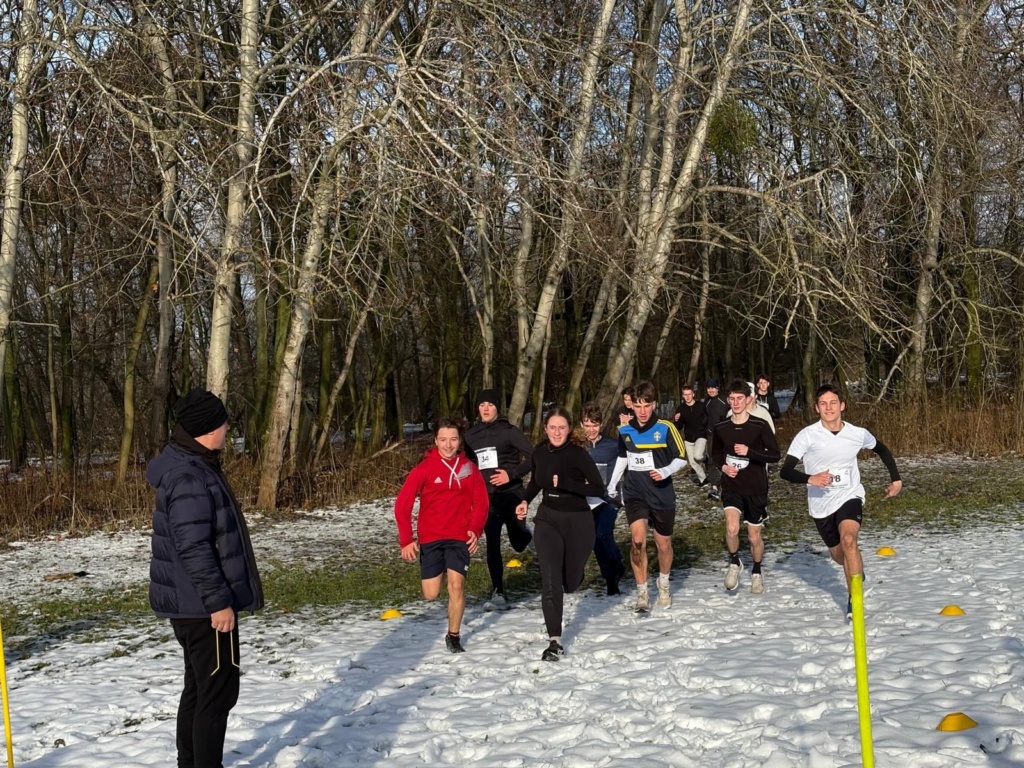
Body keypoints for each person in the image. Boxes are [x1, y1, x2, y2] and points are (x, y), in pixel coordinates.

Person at [148, 388, 264, 768]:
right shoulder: (189, 476)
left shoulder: (193, 465)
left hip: (192, 605)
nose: (228, 428)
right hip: (204, 608)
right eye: (223, 422)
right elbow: (193, 547)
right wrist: (218, 602)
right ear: (207, 428)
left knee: (199, 691)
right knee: (216, 695)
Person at [779, 383, 902, 617]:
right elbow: (785, 471)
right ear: (816, 408)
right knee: (839, 555)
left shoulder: (857, 433)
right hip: (821, 505)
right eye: (823, 404)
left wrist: (896, 479)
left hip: (850, 495)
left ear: (842, 406)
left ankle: (854, 598)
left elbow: (883, 450)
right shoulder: (807, 435)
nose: (829, 408)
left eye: (833, 403)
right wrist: (810, 478)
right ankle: (855, 568)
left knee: (849, 540)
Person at [516, 407, 606, 661]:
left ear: (569, 429)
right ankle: (554, 641)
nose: (557, 432)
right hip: (548, 519)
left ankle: (574, 575)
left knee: (570, 582)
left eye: (562, 428)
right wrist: (525, 500)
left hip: (578, 521)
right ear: (545, 428)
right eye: (552, 427)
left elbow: (598, 488)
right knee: (550, 579)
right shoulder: (539, 453)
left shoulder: (578, 454)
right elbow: (536, 480)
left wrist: (568, 484)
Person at [394, 417, 489, 653]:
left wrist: (475, 529)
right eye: (443, 440)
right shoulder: (424, 469)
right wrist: (406, 540)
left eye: (453, 439)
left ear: (460, 440)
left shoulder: (469, 468)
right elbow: (402, 505)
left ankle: (453, 636)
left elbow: (482, 502)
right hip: (431, 537)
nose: (448, 445)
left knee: (456, 587)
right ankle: (445, 569)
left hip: (459, 537)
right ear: (436, 441)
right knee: (431, 593)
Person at [607, 381, 687, 612]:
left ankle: (664, 583)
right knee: (638, 540)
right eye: (638, 406)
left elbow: (681, 457)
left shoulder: (666, 428)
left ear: (654, 404)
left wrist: (665, 471)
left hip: (661, 494)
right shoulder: (625, 430)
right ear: (631, 405)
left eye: (646, 405)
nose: (642, 411)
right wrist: (613, 483)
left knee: (663, 544)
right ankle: (642, 592)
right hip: (635, 492)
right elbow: (623, 457)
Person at [463, 389, 534, 611]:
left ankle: (528, 535)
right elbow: (465, 463)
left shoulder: (509, 432)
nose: (485, 409)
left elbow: (534, 457)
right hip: (487, 498)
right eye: (482, 405)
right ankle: (498, 592)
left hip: (512, 494)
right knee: (492, 541)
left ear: (497, 408)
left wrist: (511, 474)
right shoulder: (470, 435)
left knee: (518, 544)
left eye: (490, 405)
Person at [711, 379, 781, 594]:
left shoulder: (759, 425)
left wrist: (750, 452)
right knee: (732, 528)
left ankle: (757, 571)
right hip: (731, 485)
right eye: (732, 399)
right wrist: (724, 467)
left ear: (748, 399)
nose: (736, 403)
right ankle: (734, 562)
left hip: (755, 487)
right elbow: (715, 453)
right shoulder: (721, 427)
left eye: (740, 398)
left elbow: (775, 455)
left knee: (753, 537)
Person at [580, 402, 627, 595]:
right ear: (581, 425)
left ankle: (615, 566)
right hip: (586, 502)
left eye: (595, 425)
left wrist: (626, 429)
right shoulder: (577, 447)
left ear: (601, 425)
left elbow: (630, 453)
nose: (591, 430)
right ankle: (611, 575)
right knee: (595, 540)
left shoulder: (612, 445)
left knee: (602, 533)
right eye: (587, 425)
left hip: (609, 499)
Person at [673, 383, 708, 486]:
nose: (687, 397)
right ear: (683, 396)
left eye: (689, 394)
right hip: (688, 438)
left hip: (701, 435)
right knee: (692, 462)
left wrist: (703, 427)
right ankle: (703, 479)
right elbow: (679, 427)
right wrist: (676, 420)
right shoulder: (681, 408)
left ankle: (705, 458)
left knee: (698, 456)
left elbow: (707, 418)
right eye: (685, 394)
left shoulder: (700, 405)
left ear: (693, 394)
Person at [703, 378, 729, 501]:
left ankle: (728, 484)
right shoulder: (706, 401)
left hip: (724, 434)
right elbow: (704, 417)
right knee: (712, 460)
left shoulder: (724, 399)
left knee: (726, 458)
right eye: (709, 388)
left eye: (713, 388)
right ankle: (714, 486)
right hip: (711, 435)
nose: (711, 390)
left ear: (717, 388)